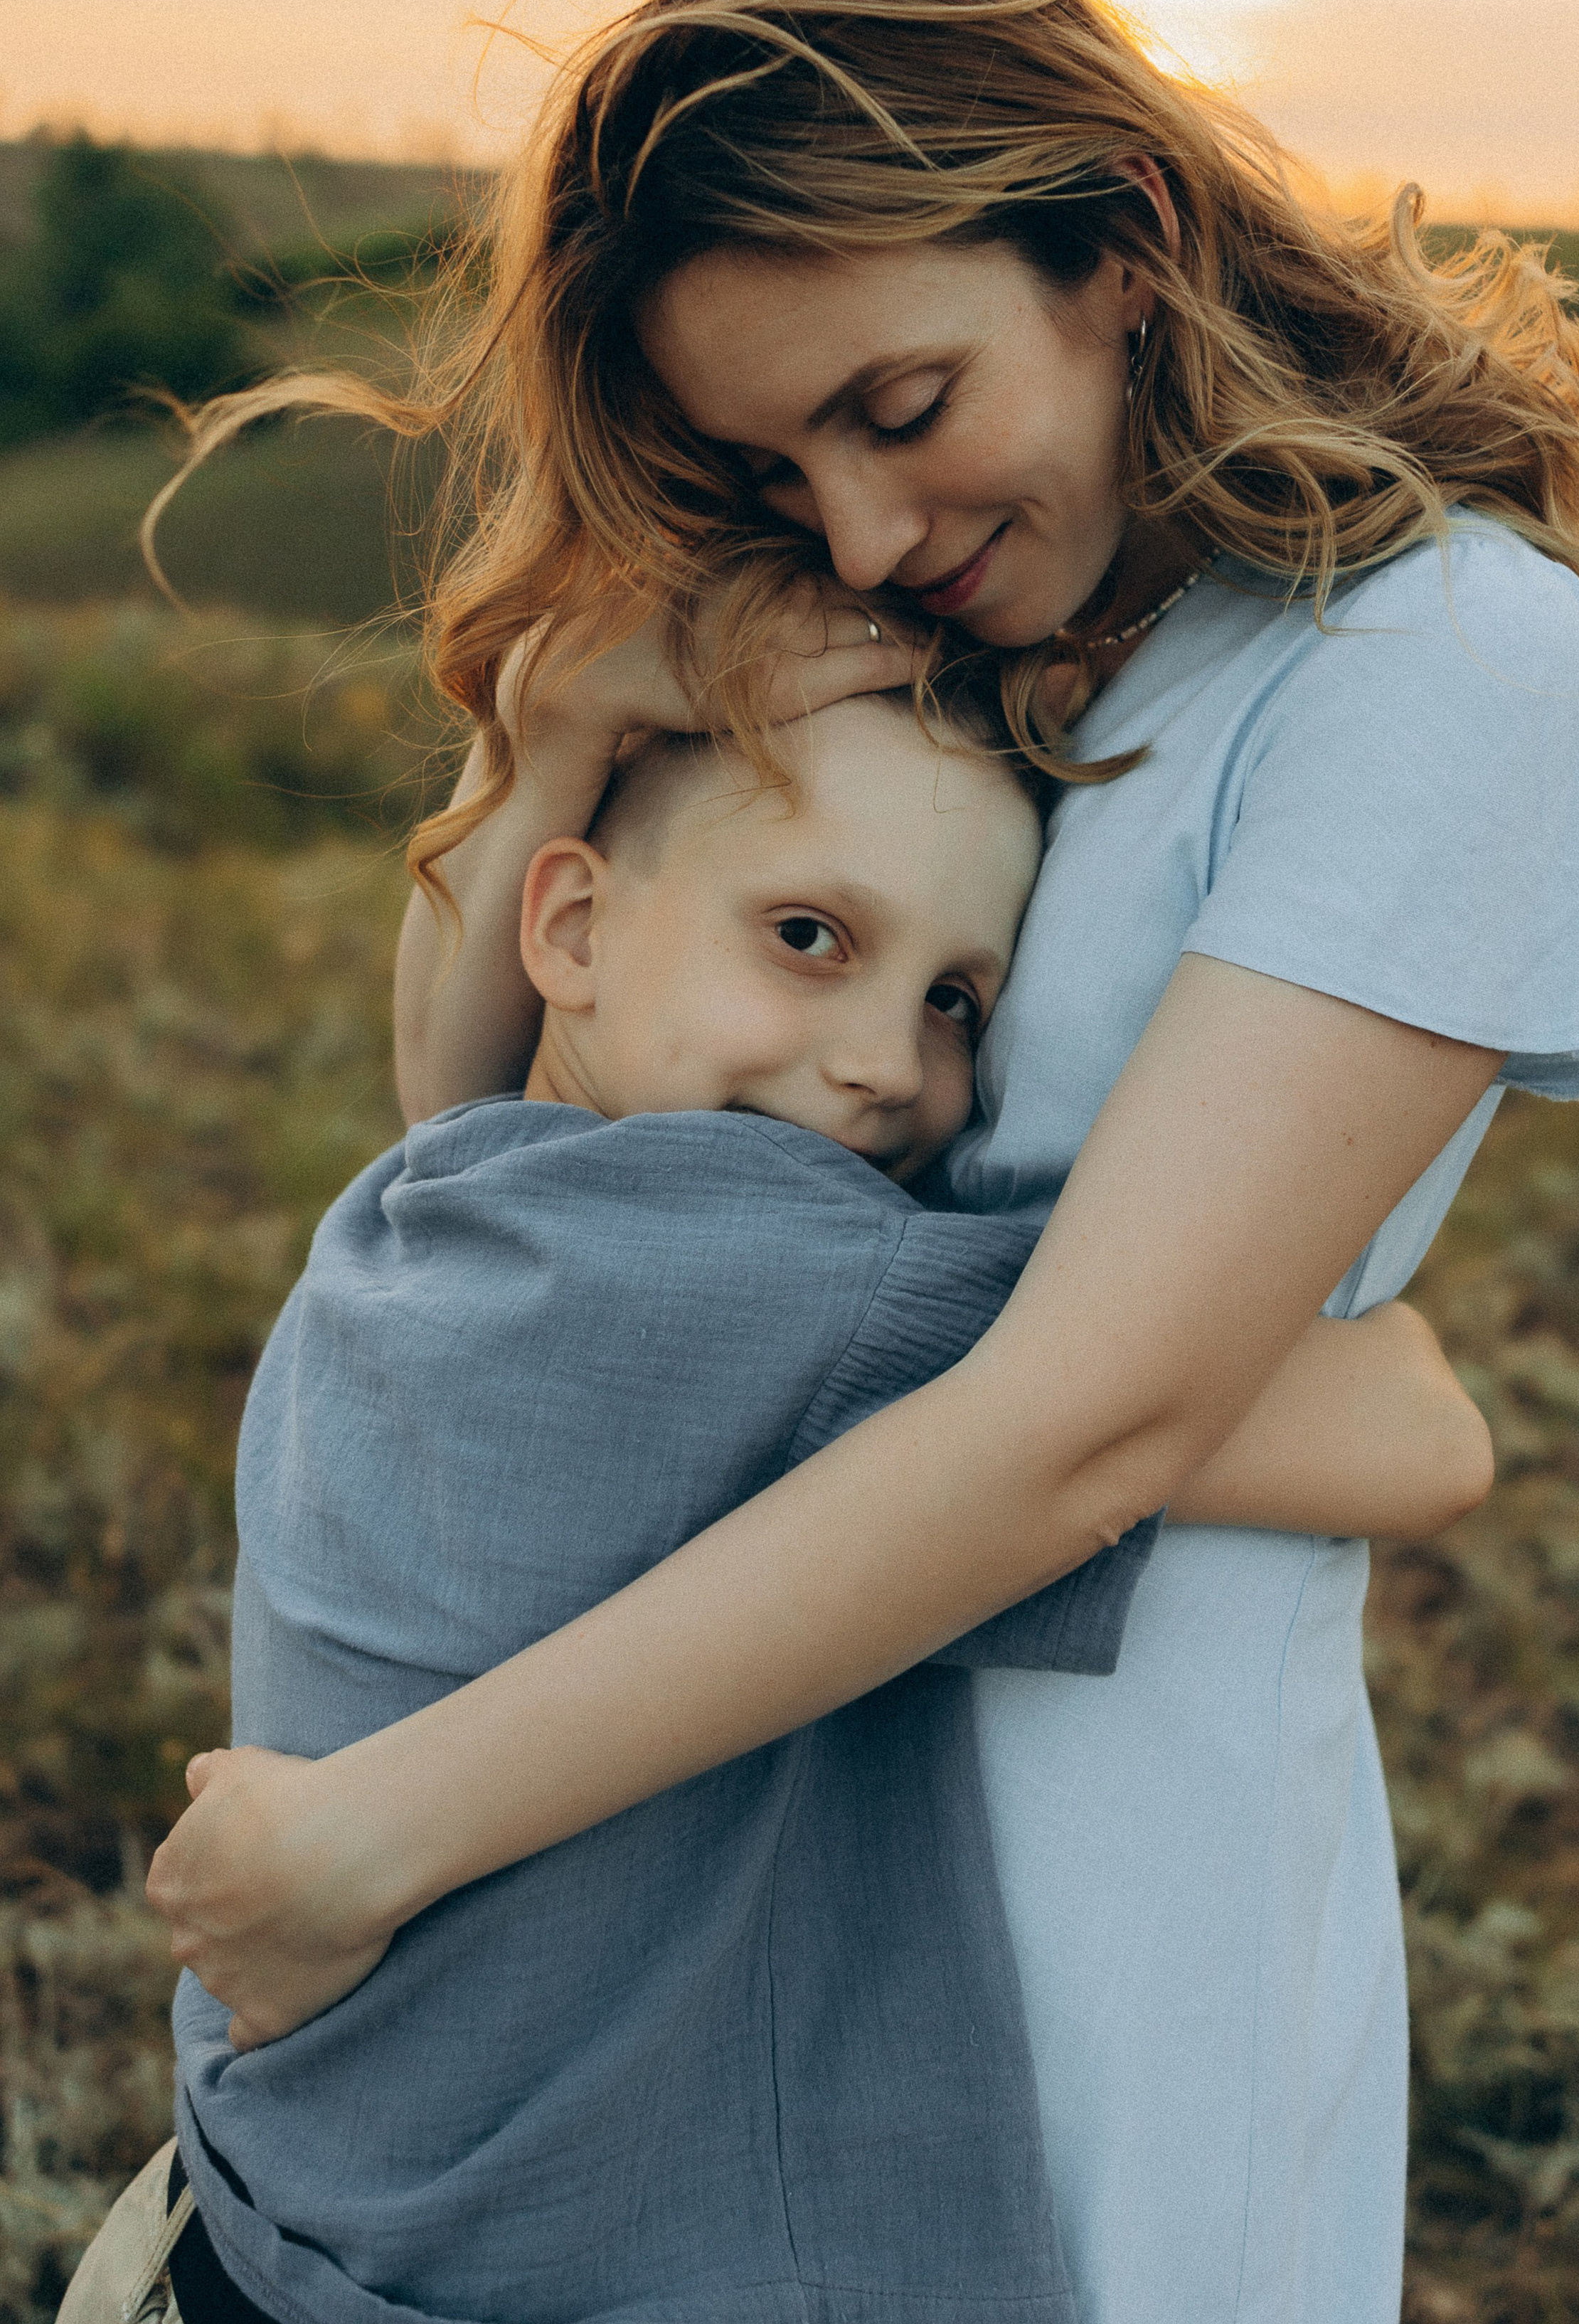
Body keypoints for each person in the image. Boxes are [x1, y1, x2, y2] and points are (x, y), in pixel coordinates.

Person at [143, 0, 1579, 2323]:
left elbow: (1091, 1424)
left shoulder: (1441, 668)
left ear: (1125, 244)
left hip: (1091, 1865)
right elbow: (508, 1160)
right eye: (785, 462)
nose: (866, 526)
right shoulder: (1006, 617)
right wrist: (560, 728)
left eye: (901, 407)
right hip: (694, 1841)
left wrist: (371, 1841)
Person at [73, 691, 1487, 2324]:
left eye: (959, 1000)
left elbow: (456, 1032)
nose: (887, 1064)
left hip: (284, 2220)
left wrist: (541, 737)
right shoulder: (772, 1272)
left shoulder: (436, 1194)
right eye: (809, 934)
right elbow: (1419, 1432)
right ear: (574, 923)